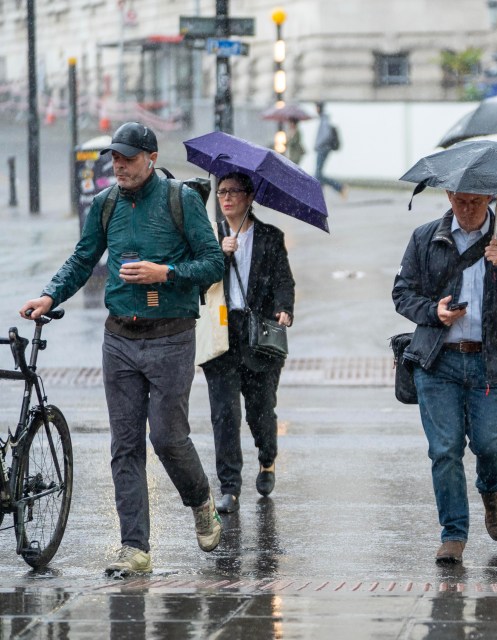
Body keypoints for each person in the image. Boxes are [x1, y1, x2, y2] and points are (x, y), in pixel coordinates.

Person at [19, 122, 225, 574]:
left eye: (128, 158)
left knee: (167, 438)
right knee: (125, 445)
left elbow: (213, 263)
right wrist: (50, 295)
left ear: (151, 158)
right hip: (120, 339)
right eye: (115, 157)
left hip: (171, 336)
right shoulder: (105, 204)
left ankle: (201, 500)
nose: (119, 165)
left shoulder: (181, 200)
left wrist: (165, 273)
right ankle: (135, 548)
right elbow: (82, 257)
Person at [392, 190, 497, 565]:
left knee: (491, 444)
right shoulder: (426, 237)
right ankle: (453, 533)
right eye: (459, 200)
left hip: (488, 362)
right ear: (448, 195)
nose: (467, 208)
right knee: (445, 450)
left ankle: (491, 491)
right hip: (437, 362)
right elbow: (401, 293)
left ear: (490, 197)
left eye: (475, 200)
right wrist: (432, 311)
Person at [200, 172, 295, 514]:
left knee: (260, 410)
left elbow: (284, 280)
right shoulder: (209, 236)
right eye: (221, 192)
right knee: (224, 414)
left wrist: (284, 309)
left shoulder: (270, 236)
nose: (225, 198)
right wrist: (219, 255)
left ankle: (267, 458)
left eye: (233, 192)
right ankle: (230, 487)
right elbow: (196, 278)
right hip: (222, 333)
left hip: (259, 334)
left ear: (249, 196)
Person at [313, 101, 346, 198]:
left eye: (316, 107)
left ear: (319, 108)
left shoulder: (324, 119)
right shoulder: (323, 118)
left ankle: (339, 187)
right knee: (318, 174)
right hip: (323, 148)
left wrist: (318, 145)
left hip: (323, 149)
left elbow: (326, 135)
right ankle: (319, 195)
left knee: (318, 174)